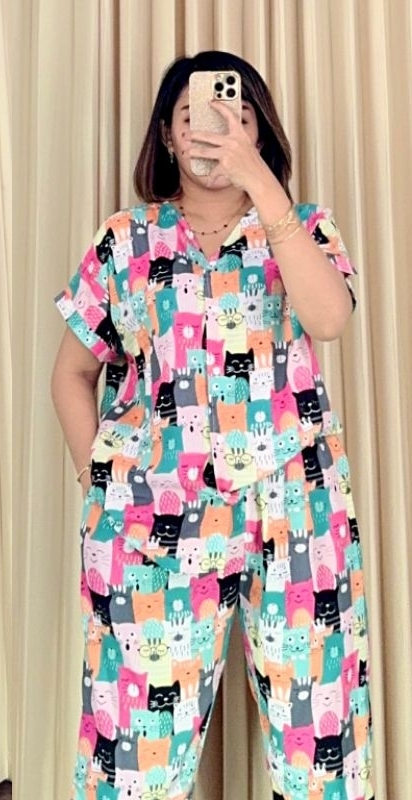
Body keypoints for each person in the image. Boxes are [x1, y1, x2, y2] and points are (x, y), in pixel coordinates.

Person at [51, 51, 373, 800]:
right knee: (135, 761)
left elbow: (329, 319)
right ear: (167, 135)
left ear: (260, 132)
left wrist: (262, 185)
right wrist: (99, 483)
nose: (214, 130)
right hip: (151, 520)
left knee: (319, 757)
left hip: (297, 516)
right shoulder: (125, 239)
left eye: (237, 115)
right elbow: (70, 374)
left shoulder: (303, 228)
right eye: (195, 115)